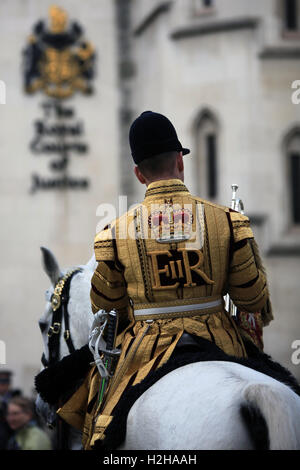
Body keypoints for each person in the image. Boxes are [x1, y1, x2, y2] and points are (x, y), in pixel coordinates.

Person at [57, 111, 273, 449]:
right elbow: (253, 299)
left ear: (139, 174)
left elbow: (105, 304)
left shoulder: (114, 235)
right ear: (180, 162)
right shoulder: (229, 222)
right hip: (222, 339)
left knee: (101, 427)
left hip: (143, 351)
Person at [0, 370, 21, 449]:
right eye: (1, 381)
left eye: (7, 381)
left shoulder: (15, 398)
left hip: (12, 436)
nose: (4, 384)